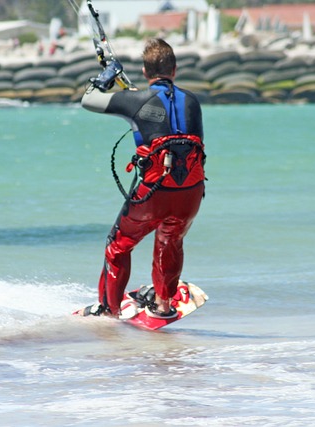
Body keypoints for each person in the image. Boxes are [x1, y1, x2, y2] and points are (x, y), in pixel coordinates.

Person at [78, 38, 205, 319]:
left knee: (118, 245)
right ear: (175, 69)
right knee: (170, 239)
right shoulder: (193, 101)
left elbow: (88, 99)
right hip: (191, 193)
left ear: (146, 72)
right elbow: (164, 117)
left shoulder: (135, 100)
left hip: (153, 194)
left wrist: (106, 77)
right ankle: (164, 304)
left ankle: (109, 311)